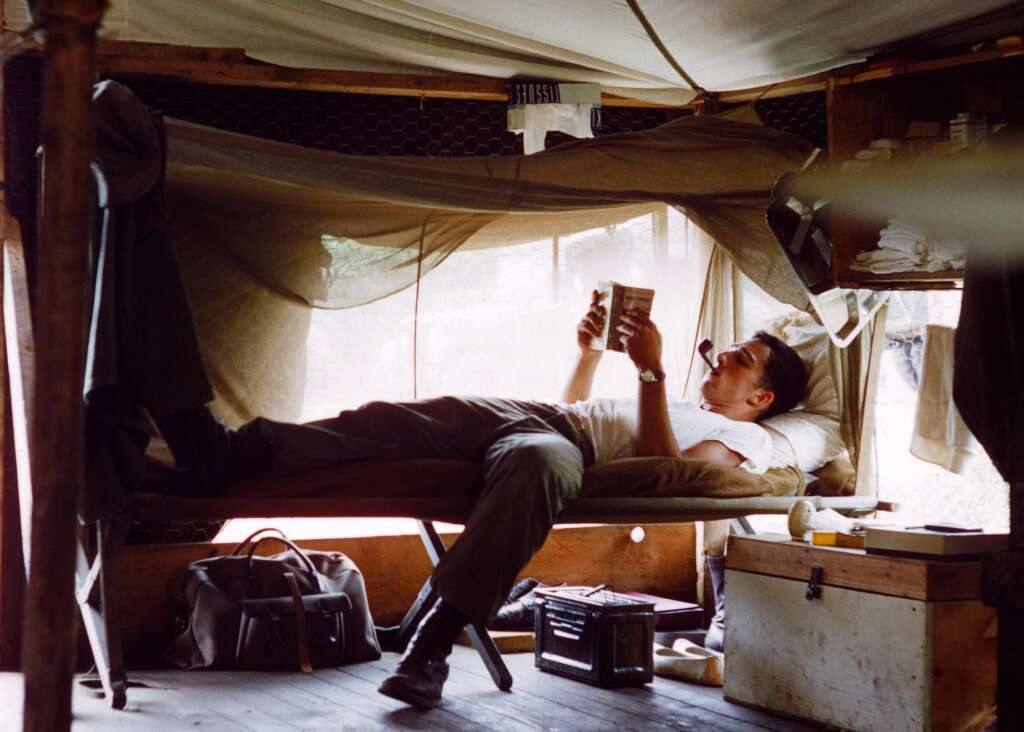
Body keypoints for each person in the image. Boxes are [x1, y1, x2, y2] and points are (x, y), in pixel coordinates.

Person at [205, 291, 806, 708]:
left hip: (561, 450)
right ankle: (233, 452)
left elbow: (665, 470)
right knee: (392, 419)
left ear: (761, 399)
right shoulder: (680, 403)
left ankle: (430, 646)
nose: (721, 357)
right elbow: (577, 409)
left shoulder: (749, 440)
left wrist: (651, 372)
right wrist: (590, 354)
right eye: (728, 351)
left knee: (538, 467)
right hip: (537, 416)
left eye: (741, 361)